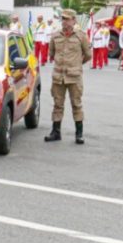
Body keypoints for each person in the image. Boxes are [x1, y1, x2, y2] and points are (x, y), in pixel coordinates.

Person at [44, 9, 91, 145]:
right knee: (57, 104)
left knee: (76, 104)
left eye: (67, 19)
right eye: (63, 19)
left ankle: (79, 134)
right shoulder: (55, 36)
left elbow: (88, 55)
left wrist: (77, 64)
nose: (64, 21)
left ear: (74, 20)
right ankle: (55, 132)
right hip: (58, 75)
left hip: (74, 76)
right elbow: (51, 53)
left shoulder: (81, 36)